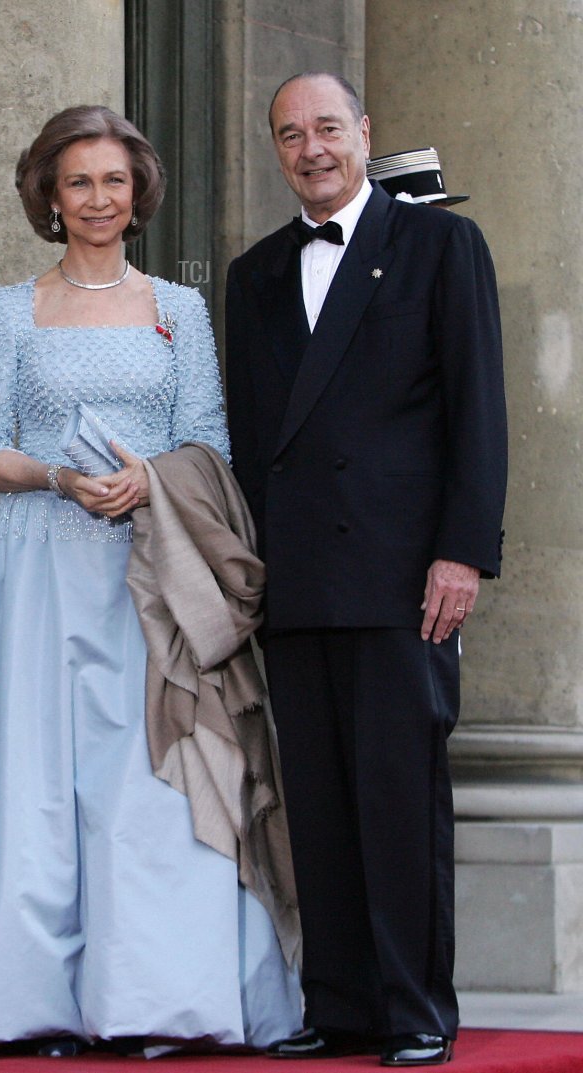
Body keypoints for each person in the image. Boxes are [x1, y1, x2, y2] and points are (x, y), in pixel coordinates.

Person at [0, 104, 302, 1057]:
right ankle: (30, 1000)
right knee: (30, 786)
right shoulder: (6, 309)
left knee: (149, 783)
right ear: (49, 196)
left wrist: (147, 479)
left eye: (114, 180)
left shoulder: (179, 310)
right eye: (79, 182)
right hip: (35, 573)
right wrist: (60, 478)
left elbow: (212, 439)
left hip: (151, 575)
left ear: (138, 192)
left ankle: (157, 993)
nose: (99, 198)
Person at [223, 72, 506, 1067]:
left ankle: (416, 1005)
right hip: (297, 578)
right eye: (292, 134)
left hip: (403, 578)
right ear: (277, 149)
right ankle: (339, 1000)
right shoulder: (252, 273)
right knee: (320, 803)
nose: (313, 149)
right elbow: (256, 441)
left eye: (328, 129)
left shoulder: (439, 245)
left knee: (397, 796)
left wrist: (463, 551)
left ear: (365, 133)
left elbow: (479, 413)